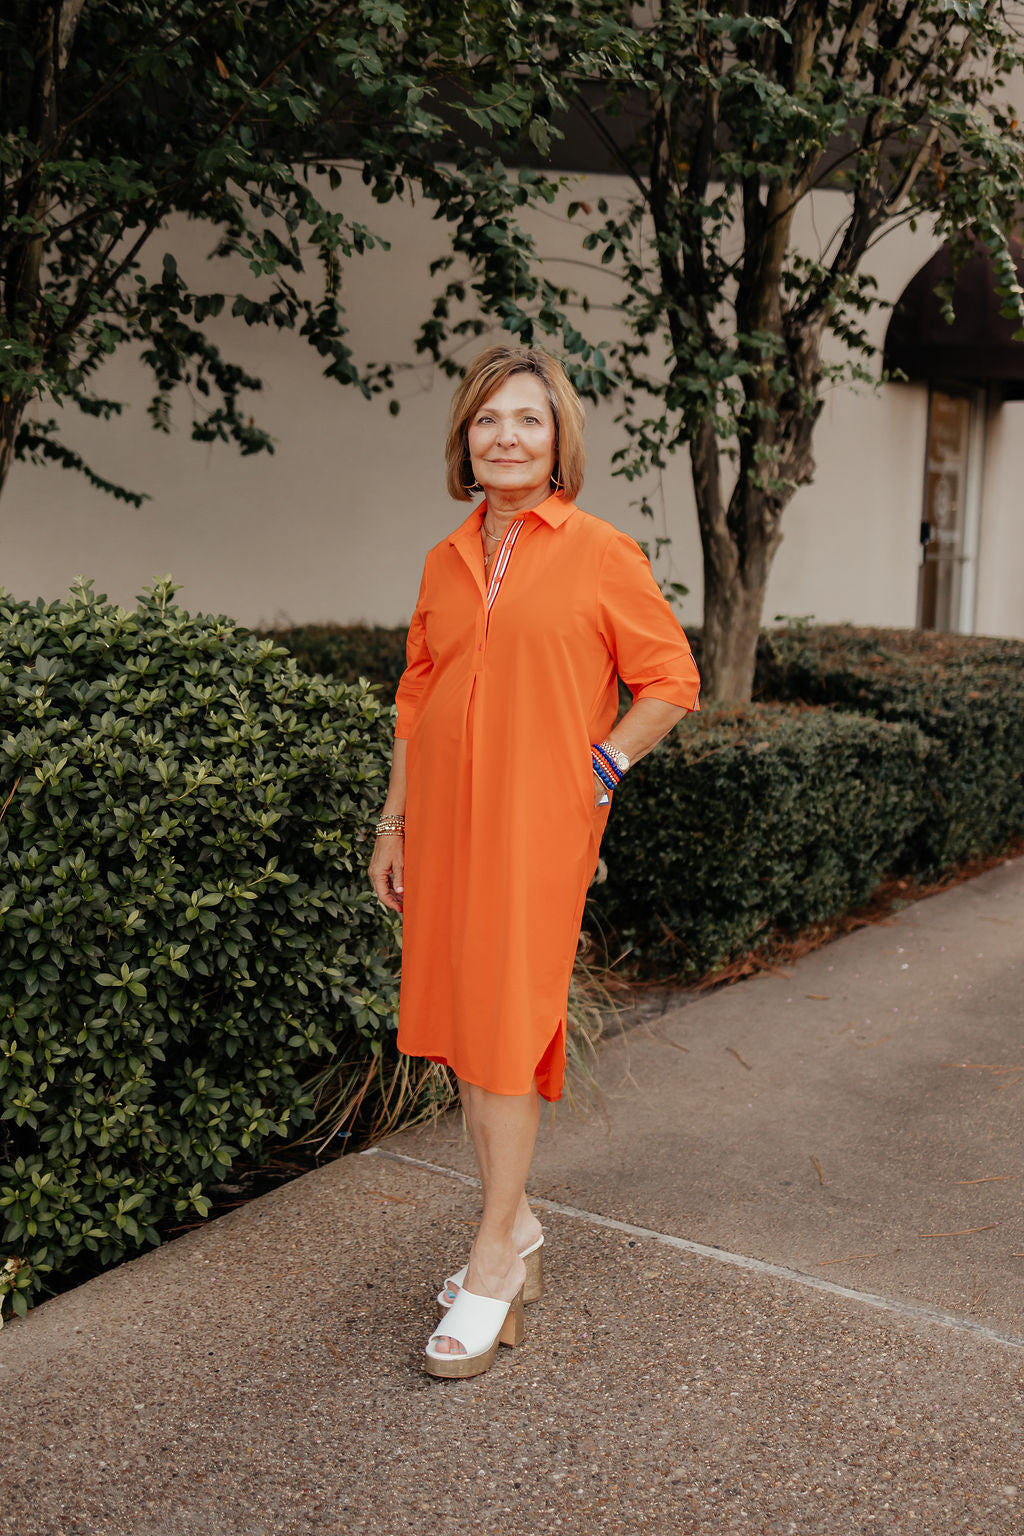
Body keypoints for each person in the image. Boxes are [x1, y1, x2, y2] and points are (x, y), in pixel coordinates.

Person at [368, 344, 700, 1378]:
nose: (505, 436)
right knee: (472, 1033)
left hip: (536, 828)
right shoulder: (444, 557)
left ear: (558, 440)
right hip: (447, 829)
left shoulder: (600, 551)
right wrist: (393, 823)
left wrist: (601, 763)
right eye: (486, 420)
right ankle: (513, 1230)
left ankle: (492, 1256)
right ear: (465, 440)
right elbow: (416, 701)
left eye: (526, 419)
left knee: (506, 1031)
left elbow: (668, 679)